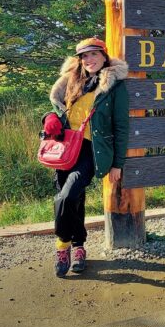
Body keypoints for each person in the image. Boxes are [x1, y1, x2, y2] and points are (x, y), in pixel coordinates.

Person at [43, 37, 129, 277]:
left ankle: (62, 244)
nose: (88, 60)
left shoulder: (115, 86)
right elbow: (61, 109)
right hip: (65, 148)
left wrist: (117, 164)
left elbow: (121, 127)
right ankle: (78, 246)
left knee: (67, 195)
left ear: (104, 56)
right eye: (84, 56)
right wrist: (50, 118)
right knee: (73, 200)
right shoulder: (72, 81)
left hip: (92, 151)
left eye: (93, 54)